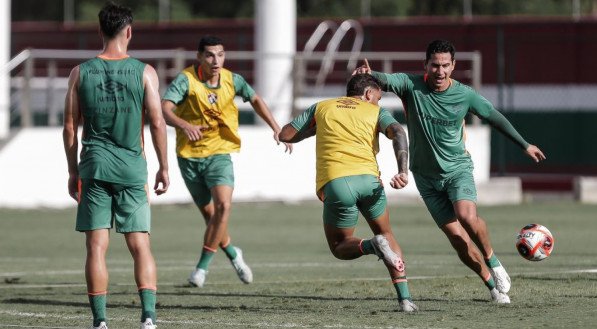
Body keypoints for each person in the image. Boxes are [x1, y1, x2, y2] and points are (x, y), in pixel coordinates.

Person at [354, 39, 546, 304]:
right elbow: (383, 79)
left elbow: (494, 116)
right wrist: (368, 74)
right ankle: (492, 287)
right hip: (425, 177)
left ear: (453, 66)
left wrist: (524, 145)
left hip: (457, 170)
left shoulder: (465, 94)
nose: (440, 71)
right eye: (435, 65)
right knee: (457, 238)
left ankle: (494, 261)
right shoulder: (410, 85)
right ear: (426, 65)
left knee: (466, 216)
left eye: (445, 65)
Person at [62, 2, 169, 329]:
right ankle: (148, 317)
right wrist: (164, 167)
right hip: (131, 169)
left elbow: (69, 127)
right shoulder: (145, 72)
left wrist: (72, 171)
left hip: (94, 168)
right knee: (140, 244)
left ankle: (100, 321)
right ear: (129, 31)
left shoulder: (80, 73)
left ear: (100, 31)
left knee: (96, 246)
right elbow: (157, 122)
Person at [278, 74, 418, 312]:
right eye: (378, 97)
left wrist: (316, 129)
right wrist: (402, 171)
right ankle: (405, 299)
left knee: (339, 245)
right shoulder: (375, 112)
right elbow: (398, 132)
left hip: (337, 183)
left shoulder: (322, 107)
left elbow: (285, 134)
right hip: (370, 182)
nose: (377, 102)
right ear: (367, 94)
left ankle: (372, 246)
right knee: (387, 233)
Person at [161, 35, 292, 287]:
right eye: (210, 55)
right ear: (199, 57)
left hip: (220, 154)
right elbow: (164, 108)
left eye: (220, 54)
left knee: (224, 208)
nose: (216, 60)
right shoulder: (186, 80)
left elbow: (255, 99)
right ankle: (233, 253)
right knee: (212, 218)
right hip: (189, 157)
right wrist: (184, 124)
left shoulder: (233, 80)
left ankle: (201, 269)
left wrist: (276, 128)